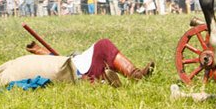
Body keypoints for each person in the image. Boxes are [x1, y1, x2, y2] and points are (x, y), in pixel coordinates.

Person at [26, 39, 154, 86]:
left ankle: (126, 76)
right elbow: (55, 62)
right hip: (81, 70)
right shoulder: (64, 64)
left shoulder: (71, 59)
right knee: (103, 44)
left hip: (84, 65)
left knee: (104, 50)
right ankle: (134, 75)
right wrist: (39, 50)